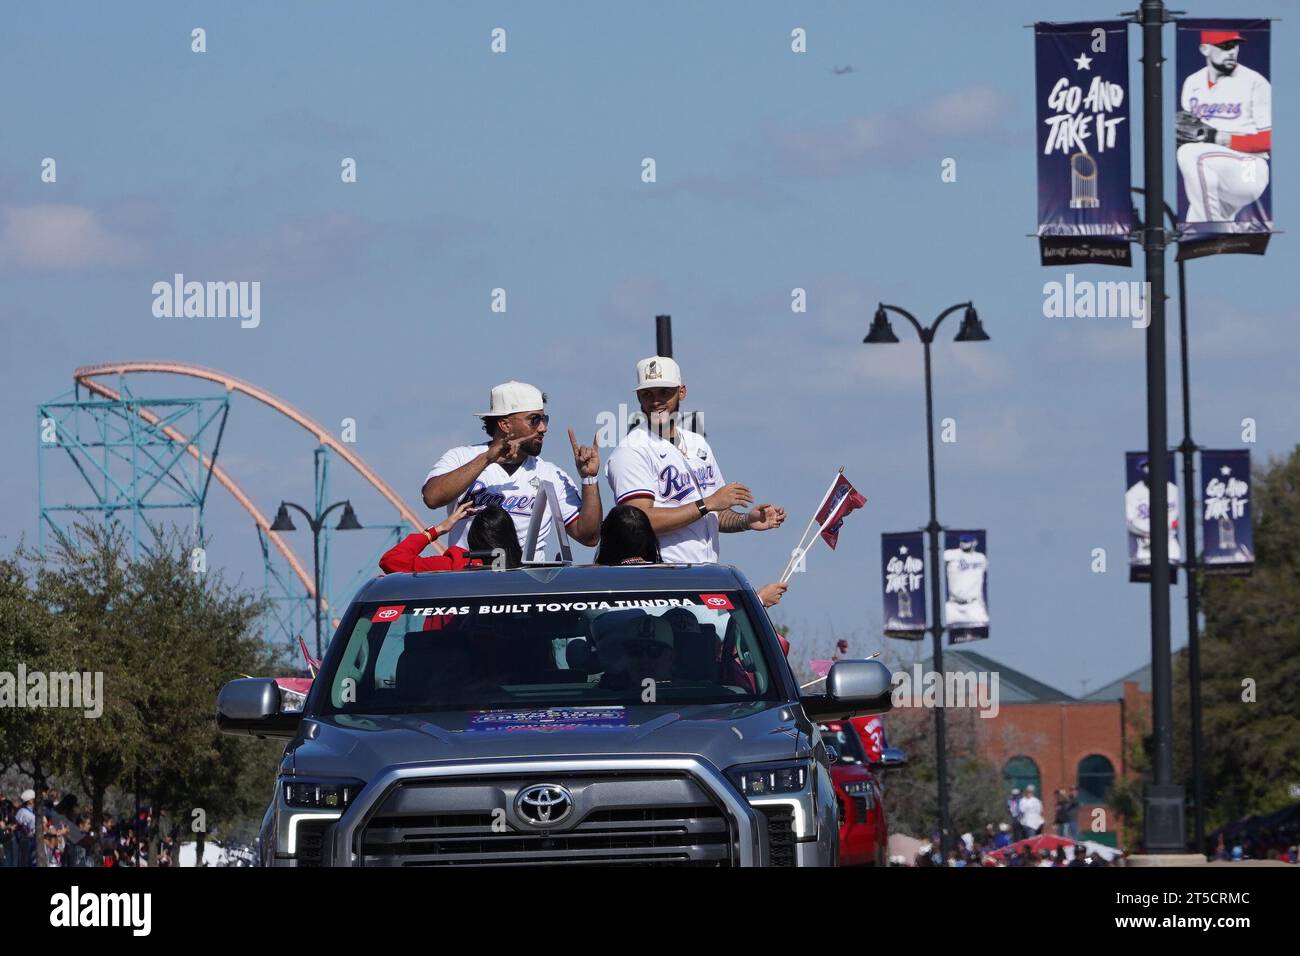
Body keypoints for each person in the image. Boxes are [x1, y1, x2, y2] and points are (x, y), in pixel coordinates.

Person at [604, 356, 785, 567]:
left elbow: (715, 512)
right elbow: (636, 524)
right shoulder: (631, 450)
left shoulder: (697, 443)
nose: (656, 401)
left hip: (706, 572)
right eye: (647, 394)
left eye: (665, 392)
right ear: (638, 397)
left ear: (682, 392)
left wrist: (746, 521)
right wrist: (707, 504)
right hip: (661, 575)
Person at [422, 381, 602, 559]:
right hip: (470, 580)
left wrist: (589, 479)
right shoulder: (461, 457)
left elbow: (589, 537)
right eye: (535, 420)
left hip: (525, 584)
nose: (543, 428)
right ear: (505, 425)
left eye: (544, 419)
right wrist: (487, 459)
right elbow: (432, 497)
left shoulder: (551, 474)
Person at [595, 505, 790, 608]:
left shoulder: (589, 587)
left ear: (606, 538)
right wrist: (758, 600)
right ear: (651, 537)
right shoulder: (671, 583)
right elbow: (714, 618)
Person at [379, 502, 523, 572]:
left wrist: (438, 530)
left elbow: (390, 560)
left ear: (473, 537)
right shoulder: (529, 574)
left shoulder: (452, 566)